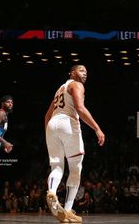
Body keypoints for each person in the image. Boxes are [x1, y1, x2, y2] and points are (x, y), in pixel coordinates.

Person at [44, 65, 105, 223]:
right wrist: (97, 128)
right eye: (82, 70)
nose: (85, 74)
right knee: (76, 169)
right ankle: (69, 209)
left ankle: (51, 192)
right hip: (68, 124)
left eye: (86, 71)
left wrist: (49, 133)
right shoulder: (76, 85)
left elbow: (46, 115)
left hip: (52, 125)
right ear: (72, 73)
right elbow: (80, 108)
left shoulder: (60, 89)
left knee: (57, 166)